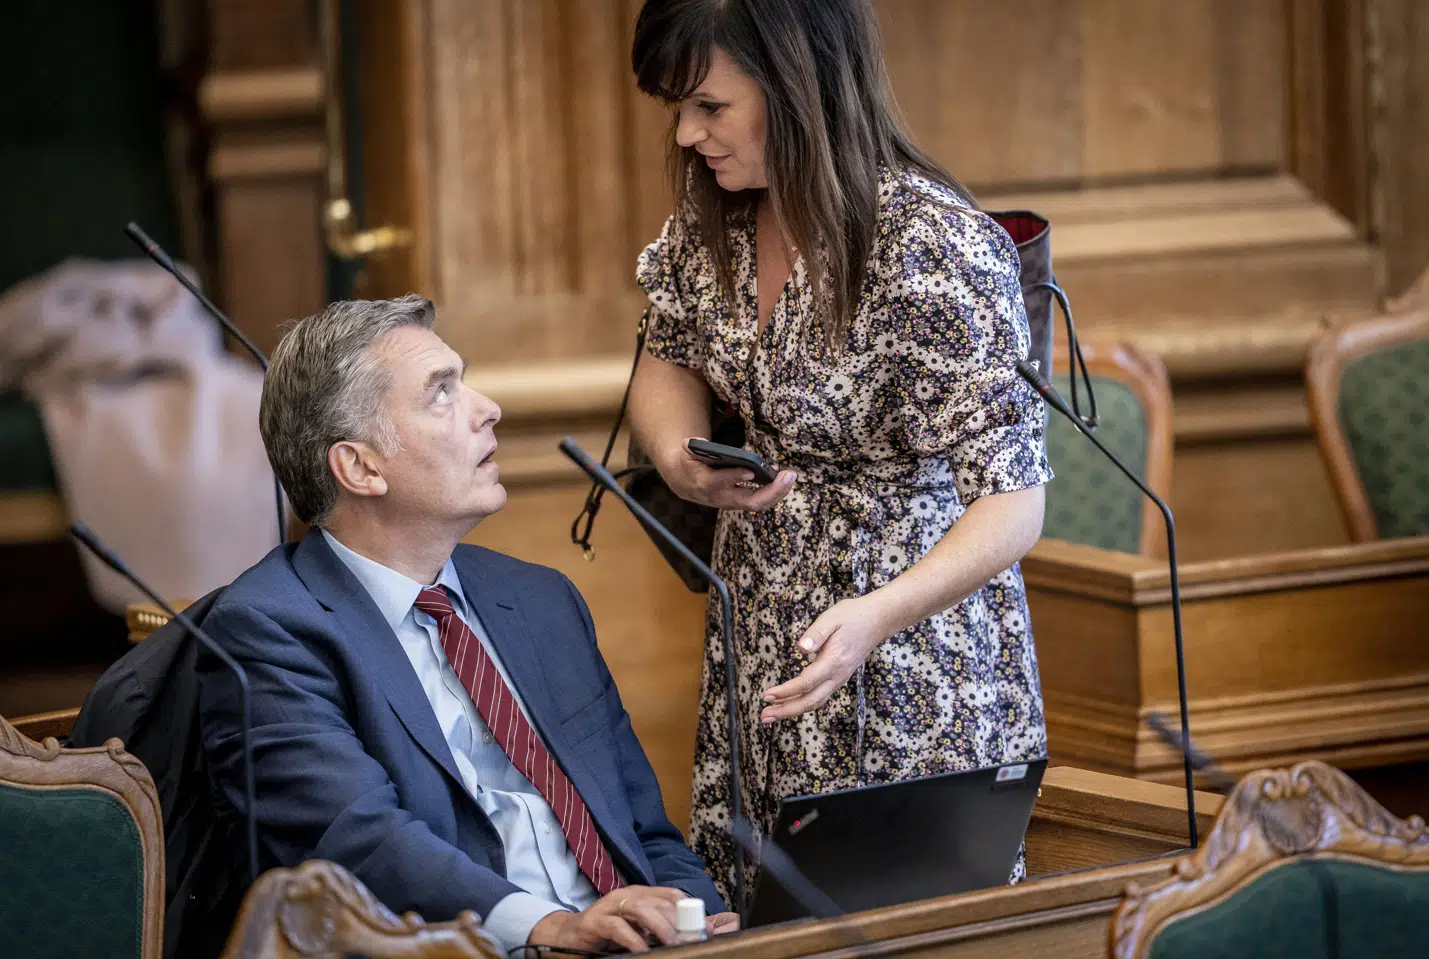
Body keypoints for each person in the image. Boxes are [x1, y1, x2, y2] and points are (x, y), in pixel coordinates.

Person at [627, 0, 1053, 903]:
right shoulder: (717, 221)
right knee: (767, 910)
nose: (686, 132)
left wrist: (876, 616)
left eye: (709, 106)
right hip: (764, 633)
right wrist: (678, 459)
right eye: (678, 108)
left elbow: (1015, 503)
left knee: (897, 916)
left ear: (796, 85)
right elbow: (664, 358)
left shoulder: (931, 244)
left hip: (912, 654)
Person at [195, 295, 738, 955]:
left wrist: (703, 923)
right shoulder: (268, 631)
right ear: (360, 466)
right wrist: (548, 926)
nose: (489, 408)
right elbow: (359, 843)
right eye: (443, 394)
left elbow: (645, 834)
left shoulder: (540, 600)